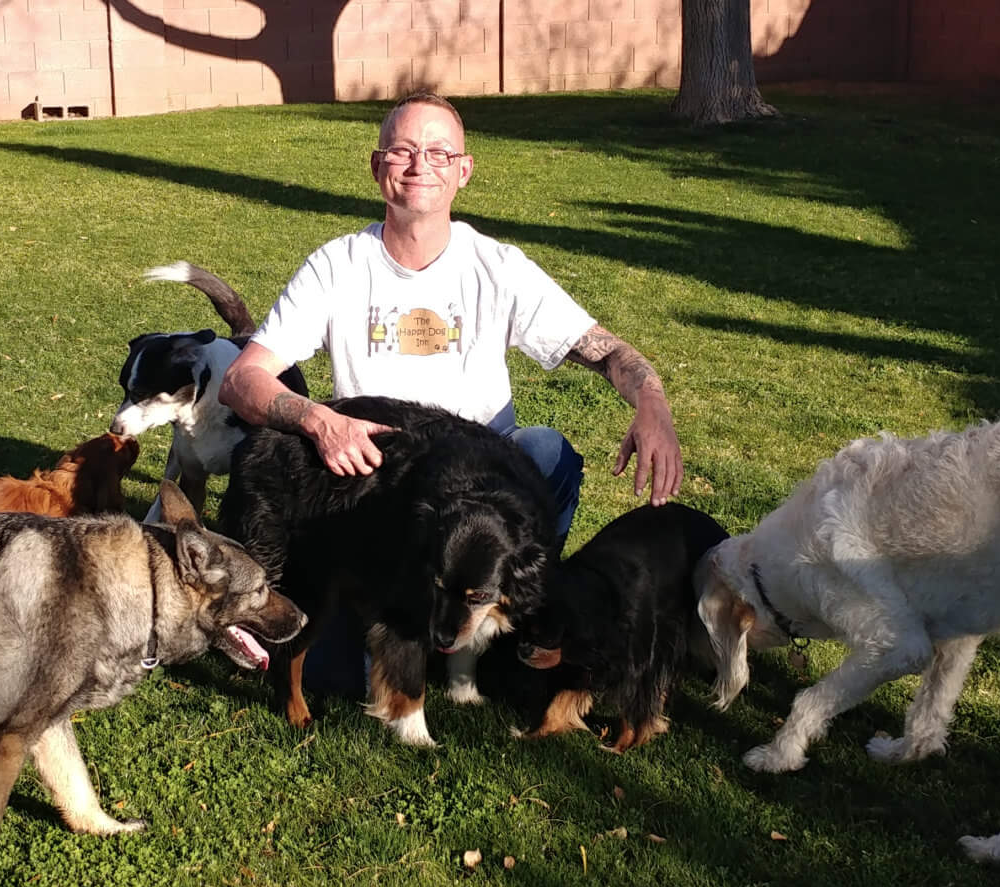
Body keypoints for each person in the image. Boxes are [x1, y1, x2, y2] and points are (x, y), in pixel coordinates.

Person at [222, 91, 684, 548]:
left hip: (485, 468)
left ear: (463, 171)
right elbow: (242, 379)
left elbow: (607, 352)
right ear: (377, 166)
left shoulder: (498, 267)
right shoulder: (336, 266)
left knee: (546, 452)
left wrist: (653, 404)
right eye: (402, 150)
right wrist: (320, 421)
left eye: (439, 152)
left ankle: (529, 593)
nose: (420, 165)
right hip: (380, 472)